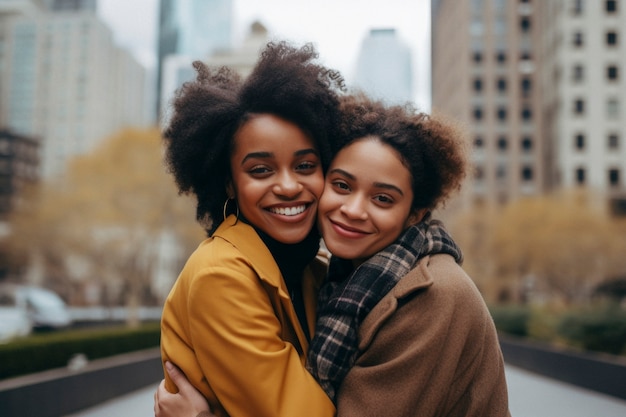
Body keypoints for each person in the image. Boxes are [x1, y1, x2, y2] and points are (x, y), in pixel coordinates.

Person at [156, 94, 511, 417]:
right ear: (229, 183)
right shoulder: (243, 275)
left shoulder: (429, 295)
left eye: (383, 198)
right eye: (342, 185)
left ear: (415, 214)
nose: (354, 210)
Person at [159, 41, 345, 417]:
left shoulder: (314, 270)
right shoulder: (220, 275)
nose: (289, 186)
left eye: (306, 166)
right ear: (229, 184)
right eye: (261, 170)